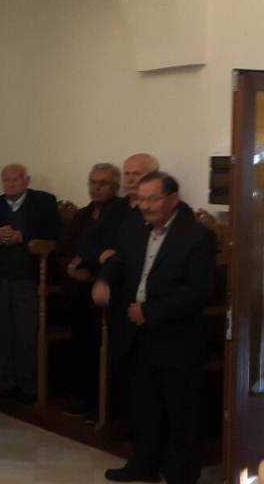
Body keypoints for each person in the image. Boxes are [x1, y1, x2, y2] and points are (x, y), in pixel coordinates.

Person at [94, 172, 215, 484]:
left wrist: (150, 312)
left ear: (172, 200)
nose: (145, 206)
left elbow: (199, 291)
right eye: (141, 199)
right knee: (143, 405)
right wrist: (104, 279)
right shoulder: (136, 229)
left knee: (178, 410)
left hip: (176, 335)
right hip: (137, 334)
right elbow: (118, 260)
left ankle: (180, 474)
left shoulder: (197, 236)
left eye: (152, 199)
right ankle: (143, 466)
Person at [0, 163, 61, 404]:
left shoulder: (43, 202)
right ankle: (4, 381)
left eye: (15, 179)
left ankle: (27, 383)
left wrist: (23, 236)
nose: (10, 184)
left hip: (29, 278)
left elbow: (56, 233)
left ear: (26, 180)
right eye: (6, 180)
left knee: (26, 332)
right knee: (2, 331)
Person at [59, 163, 124, 420]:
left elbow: (113, 252)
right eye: (93, 182)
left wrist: (90, 268)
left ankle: (103, 404)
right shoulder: (83, 214)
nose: (96, 188)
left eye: (103, 183)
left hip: (105, 289)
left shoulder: (120, 213)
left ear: (115, 186)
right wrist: (71, 267)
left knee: (100, 346)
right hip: (78, 289)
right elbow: (65, 248)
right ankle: (82, 397)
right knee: (79, 343)